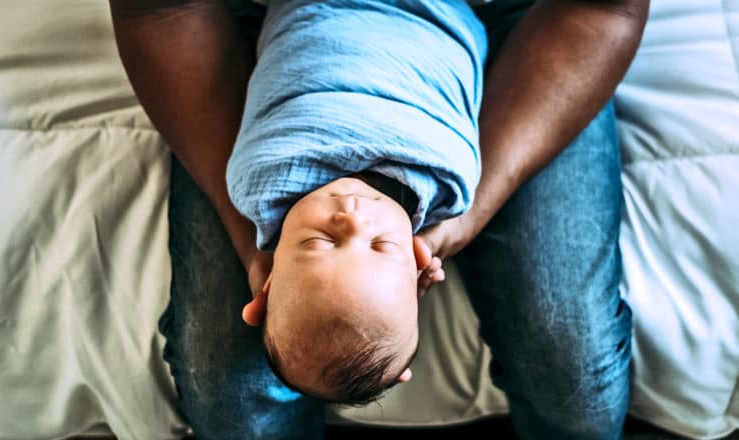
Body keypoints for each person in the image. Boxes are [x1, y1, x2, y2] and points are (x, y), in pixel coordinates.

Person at [108, 0, 649, 439]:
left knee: (576, 384)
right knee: (231, 404)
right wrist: (253, 243)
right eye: (323, 243)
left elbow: (606, 8)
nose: (350, 217)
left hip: (508, 20)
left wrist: (472, 210)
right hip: (282, 23)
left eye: (328, 240)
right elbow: (157, 9)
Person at [228, 0, 486, 404]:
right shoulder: (445, 180)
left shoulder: (259, 178)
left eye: (319, 242)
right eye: (382, 245)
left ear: (270, 277)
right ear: (419, 266)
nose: (352, 222)